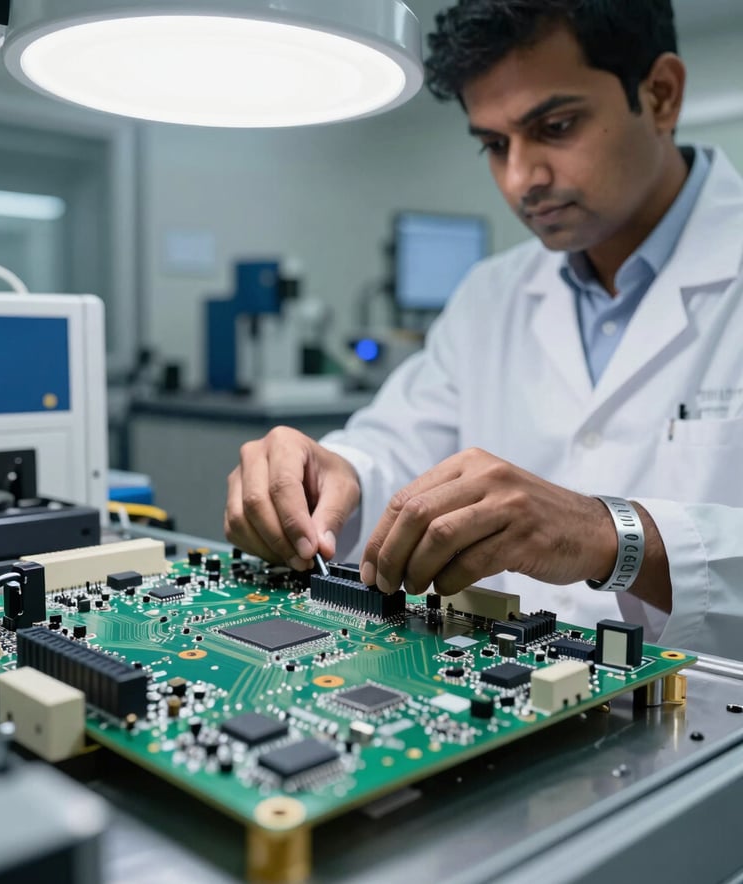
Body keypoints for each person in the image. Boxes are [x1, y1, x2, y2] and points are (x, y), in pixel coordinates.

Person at [224, 0, 743, 660]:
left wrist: (610, 536)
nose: (522, 178)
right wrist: (332, 477)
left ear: (660, 95)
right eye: (495, 145)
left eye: (555, 126)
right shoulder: (490, 294)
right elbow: (398, 451)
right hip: (502, 706)